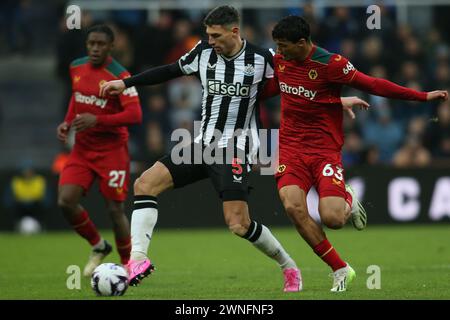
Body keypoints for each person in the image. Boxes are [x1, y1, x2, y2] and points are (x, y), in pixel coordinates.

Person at [100, 6, 367, 292]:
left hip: (237, 147)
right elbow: (167, 71)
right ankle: (138, 259)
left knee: (239, 224)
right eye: (208, 35)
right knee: (144, 184)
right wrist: (125, 83)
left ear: (234, 31)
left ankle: (288, 265)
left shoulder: (263, 59)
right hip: (203, 144)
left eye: (216, 35)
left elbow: (297, 88)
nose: (210, 40)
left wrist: (336, 101)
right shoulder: (202, 53)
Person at [263, 15, 448, 292]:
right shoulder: (280, 61)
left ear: (301, 43)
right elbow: (292, 92)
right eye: (276, 46)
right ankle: (340, 268)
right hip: (291, 148)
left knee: (333, 219)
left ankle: (347, 197)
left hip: (324, 150)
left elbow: (373, 84)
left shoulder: (331, 64)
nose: (278, 51)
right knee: (293, 206)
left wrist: (421, 96)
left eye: (283, 46)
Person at [56, 25, 142, 276]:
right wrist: (67, 122)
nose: (95, 48)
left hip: (112, 151)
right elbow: (77, 97)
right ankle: (98, 245)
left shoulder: (120, 75)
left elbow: (135, 114)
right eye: (91, 43)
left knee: (115, 210)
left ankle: (129, 265)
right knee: (66, 201)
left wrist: (98, 120)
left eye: (100, 44)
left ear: (111, 46)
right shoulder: (76, 67)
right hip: (82, 150)